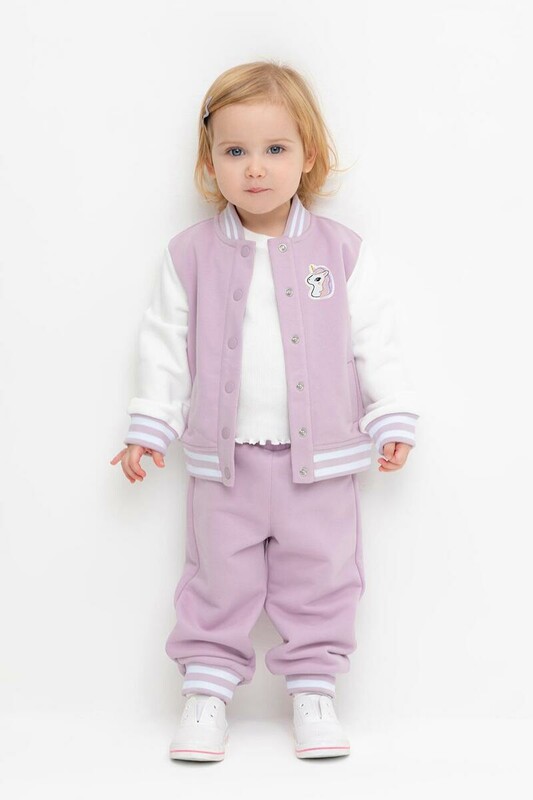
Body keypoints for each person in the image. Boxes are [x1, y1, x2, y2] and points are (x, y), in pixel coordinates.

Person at [110, 60, 420, 762]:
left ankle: (314, 692)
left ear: (308, 155)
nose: (255, 168)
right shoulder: (190, 254)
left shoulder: (339, 252)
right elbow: (163, 343)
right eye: (235, 150)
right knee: (217, 578)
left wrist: (391, 413)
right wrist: (150, 424)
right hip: (225, 465)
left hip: (323, 462)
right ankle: (205, 696)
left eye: (275, 148)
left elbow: (372, 337)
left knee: (324, 574)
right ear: (209, 162)